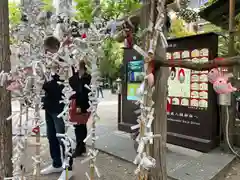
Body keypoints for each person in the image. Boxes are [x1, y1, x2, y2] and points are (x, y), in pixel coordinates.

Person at [41, 36, 73, 179]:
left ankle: (68, 169)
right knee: (51, 136)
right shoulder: (47, 64)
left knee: (62, 138)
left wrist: (44, 85)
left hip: (60, 107)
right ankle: (56, 164)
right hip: (49, 106)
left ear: (53, 49)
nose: (46, 54)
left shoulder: (64, 62)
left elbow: (60, 85)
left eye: (47, 51)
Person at [69, 60, 91, 157]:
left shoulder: (87, 77)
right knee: (78, 126)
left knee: (81, 125)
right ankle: (81, 146)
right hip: (77, 104)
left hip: (83, 104)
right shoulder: (74, 77)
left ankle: (80, 146)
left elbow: (85, 90)